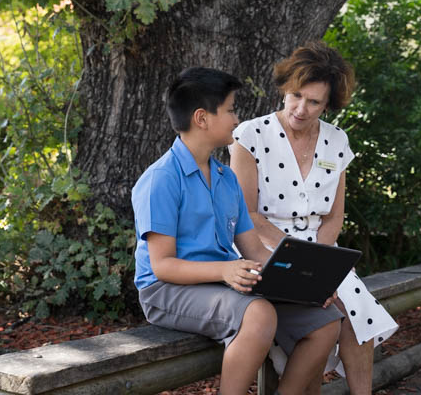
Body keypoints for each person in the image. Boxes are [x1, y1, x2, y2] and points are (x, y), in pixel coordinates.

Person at [132, 66, 344, 395]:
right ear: (202, 118)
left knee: (326, 320)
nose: (235, 119)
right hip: (165, 291)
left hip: (223, 282)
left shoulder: (226, 178)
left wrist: (307, 285)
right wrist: (226, 270)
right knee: (258, 314)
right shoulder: (161, 179)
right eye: (230, 110)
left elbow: (255, 251)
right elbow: (162, 266)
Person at [230, 42, 399, 395]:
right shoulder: (251, 134)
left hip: (321, 249)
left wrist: (321, 263)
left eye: (314, 102)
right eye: (295, 96)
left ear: (328, 104)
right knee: (333, 310)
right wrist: (299, 258)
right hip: (263, 247)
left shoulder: (337, 141)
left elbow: (335, 216)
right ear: (284, 89)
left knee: (355, 308)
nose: (301, 109)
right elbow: (246, 213)